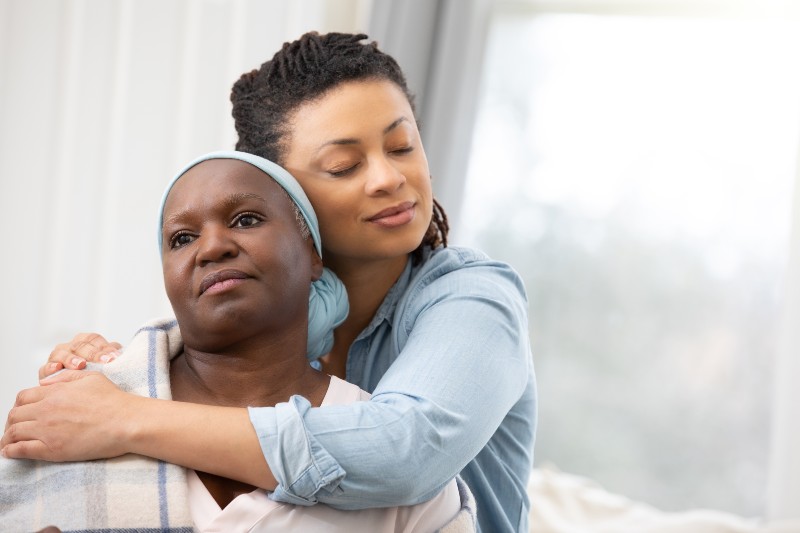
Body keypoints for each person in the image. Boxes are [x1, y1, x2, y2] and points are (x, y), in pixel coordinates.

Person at [2, 32, 537, 532]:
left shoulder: (473, 297)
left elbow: (404, 453)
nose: (389, 178)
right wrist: (95, 369)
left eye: (401, 147)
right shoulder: (257, 320)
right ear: (280, 190)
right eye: (345, 164)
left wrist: (124, 417)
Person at [0, 150, 475, 532]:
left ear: (312, 254)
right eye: (182, 238)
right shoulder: (70, 411)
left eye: (246, 220)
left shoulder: (392, 460)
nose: (211, 247)